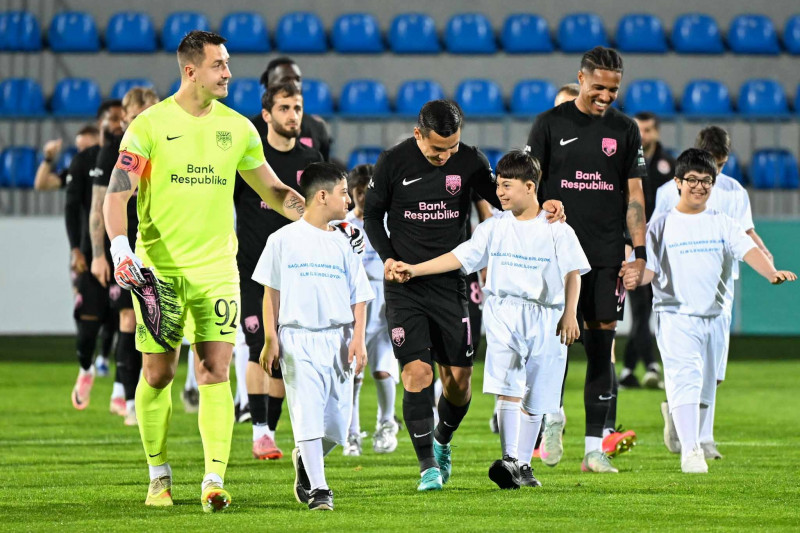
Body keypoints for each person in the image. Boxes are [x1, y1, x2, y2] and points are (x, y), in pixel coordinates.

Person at [102, 30, 307, 512]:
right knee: (157, 374)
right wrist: (119, 249)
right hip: (159, 273)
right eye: (219, 65)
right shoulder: (149, 126)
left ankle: (213, 480)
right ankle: (158, 475)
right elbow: (117, 194)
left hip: (217, 271)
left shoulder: (238, 129)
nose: (228, 73)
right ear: (191, 70)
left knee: (215, 369)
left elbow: (275, 192)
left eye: (228, 63)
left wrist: (321, 219)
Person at [365, 99, 564, 490]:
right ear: (418, 134)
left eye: (452, 147)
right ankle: (428, 467)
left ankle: (442, 440)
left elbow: (506, 200)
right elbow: (373, 215)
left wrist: (546, 205)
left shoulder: (470, 161)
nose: (445, 156)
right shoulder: (392, 162)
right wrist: (388, 258)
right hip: (405, 283)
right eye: (437, 149)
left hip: (453, 282)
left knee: (458, 383)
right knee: (417, 373)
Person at [395, 150, 589, 489]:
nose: (499, 192)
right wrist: (415, 269)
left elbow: (573, 272)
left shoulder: (557, 229)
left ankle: (524, 465)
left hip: (547, 315)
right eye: (498, 184)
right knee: (507, 386)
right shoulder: (494, 226)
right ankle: (510, 458)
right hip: (503, 311)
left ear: (530, 187)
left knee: (537, 396)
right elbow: (459, 257)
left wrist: (570, 313)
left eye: (507, 185)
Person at [620, 148, 795, 473]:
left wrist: (771, 272)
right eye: (692, 180)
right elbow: (649, 270)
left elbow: (748, 250)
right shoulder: (660, 226)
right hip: (676, 316)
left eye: (706, 181)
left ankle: (682, 425)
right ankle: (691, 450)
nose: (699, 187)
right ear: (677, 182)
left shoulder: (722, 222)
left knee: (707, 385)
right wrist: (634, 276)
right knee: (685, 378)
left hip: (714, 318)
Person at [525, 46, 647, 472]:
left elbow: (634, 195)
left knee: (601, 347)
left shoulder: (625, 129)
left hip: (607, 255)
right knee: (553, 346)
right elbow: (527, 186)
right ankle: (552, 416)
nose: (606, 96)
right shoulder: (548, 124)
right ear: (581, 79)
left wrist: (639, 254)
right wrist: (542, 204)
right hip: (556, 257)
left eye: (613, 89)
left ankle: (594, 449)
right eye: (598, 87)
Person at [253, 162, 373, 511]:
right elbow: (270, 293)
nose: (348, 200)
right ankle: (320, 489)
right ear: (322, 196)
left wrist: (358, 338)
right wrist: (271, 338)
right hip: (298, 339)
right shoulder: (282, 240)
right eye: (343, 193)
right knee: (306, 414)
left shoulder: (345, 243)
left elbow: (360, 295)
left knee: (336, 428)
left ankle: (306, 459)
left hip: (339, 340)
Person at [653, 126, 772, 460]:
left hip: (720, 287)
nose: (713, 174)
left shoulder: (733, 191)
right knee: (687, 367)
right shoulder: (669, 191)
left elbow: (746, 231)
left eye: (719, 166)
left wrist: (764, 255)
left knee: (713, 373)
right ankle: (702, 438)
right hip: (679, 288)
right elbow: (657, 233)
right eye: (710, 164)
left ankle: (679, 414)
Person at [235, 81, 323, 461]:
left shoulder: (311, 158)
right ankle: (259, 432)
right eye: (284, 108)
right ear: (267, 115)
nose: (293, 115)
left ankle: (269, 431)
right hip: (252, 270)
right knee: (258, 347)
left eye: (297, 108)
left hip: (296, 274)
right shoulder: (250, 158)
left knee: (285, 355)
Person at [89, 87, 160, 426]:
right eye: (140, 114)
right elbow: (98, 207)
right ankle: (130, 399)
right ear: (127, 117)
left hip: (157, 249)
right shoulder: (114, 153)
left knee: (153, 324)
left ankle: (137, 393)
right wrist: (100, 254)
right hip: (124, 248)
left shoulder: (163, 146)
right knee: (129, 321)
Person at [65, 99, 124, 410]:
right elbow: (71, 207)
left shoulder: (132, 156)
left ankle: (121, 392)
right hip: (92, 255)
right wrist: (76, 248)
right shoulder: (84, 160)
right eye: (112, 119)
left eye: (121, 119)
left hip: (124, 252)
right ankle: (86, 367)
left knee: (124, 322)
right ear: (100, 122)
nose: (117, 124)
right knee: (88, 326)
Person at [343, 164, 401, 456]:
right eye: (359, 191)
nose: (364, 196)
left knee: (382, 370)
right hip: (353, 302)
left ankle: (387, 424)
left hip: (384, 299)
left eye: (369, 190)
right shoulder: (342, 225)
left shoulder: (388, 220)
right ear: (351, 192)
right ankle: (351, 434)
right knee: (353, 372)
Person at [619, 112, 676, 390]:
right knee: (641, 307)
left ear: (657, 132)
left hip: (663, 249)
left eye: (648, 130)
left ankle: (628, 369)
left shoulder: (671, 166)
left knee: (649, 309)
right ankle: (651, 365)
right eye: (639, 130)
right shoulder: (623, 163)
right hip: (634, 245)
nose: (643, 135)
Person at [253, 57, 331, 160]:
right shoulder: (252, 130)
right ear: (269, 85)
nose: (294, 84)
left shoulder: (316, 127)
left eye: (297, 79)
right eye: (285, 80)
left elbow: (325, 166)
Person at [34, 125, 100, 191]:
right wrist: (48, 159)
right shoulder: (74, 171)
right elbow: (41, 184)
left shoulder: (104, 169)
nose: (82, 153)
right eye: (79, 148)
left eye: (87, 148)